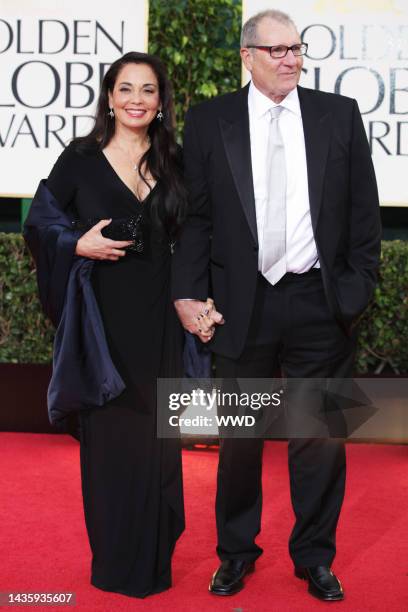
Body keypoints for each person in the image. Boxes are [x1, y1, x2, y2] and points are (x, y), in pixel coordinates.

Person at [172, 10, 381, 602]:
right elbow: (197, 220)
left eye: (297, 48)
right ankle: (236, 553)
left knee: (320, 437)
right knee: (240, 439)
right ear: (247, 55)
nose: (291, 59)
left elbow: (364, 213)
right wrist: (187, 293)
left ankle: (315, 557)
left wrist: (355, 289)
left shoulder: (336, 115)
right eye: (277, 50)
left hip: (320, 301)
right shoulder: (210, 120)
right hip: (242, 305)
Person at [28, 52, 188, 598]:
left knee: (157, 441)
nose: (137, 100)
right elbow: (40, 219)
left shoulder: (175, 161)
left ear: (161, 100)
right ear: (110, 97)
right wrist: (77, 242)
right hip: (102, 322)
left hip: (163, 321)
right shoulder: (81, 156)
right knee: (113, 438)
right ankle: (115, 562)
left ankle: (153, 560)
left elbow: (197, 235)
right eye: (126, 89)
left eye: (148, 90)